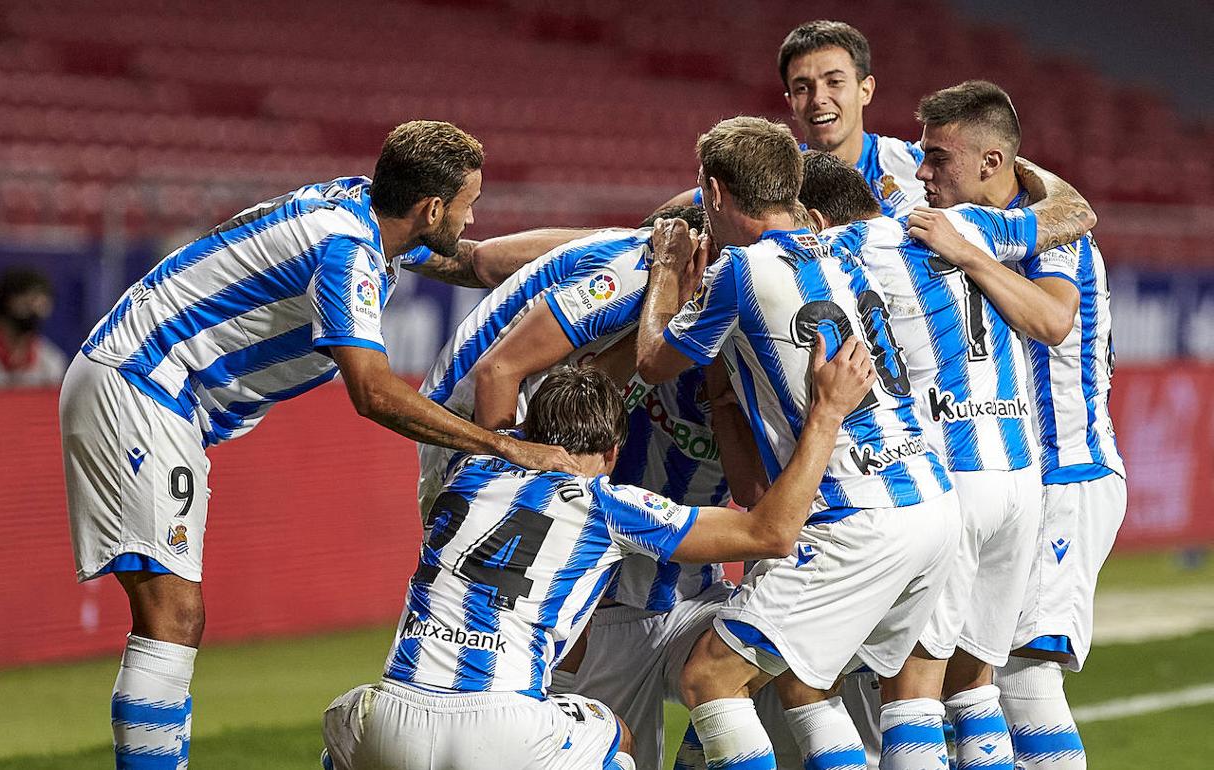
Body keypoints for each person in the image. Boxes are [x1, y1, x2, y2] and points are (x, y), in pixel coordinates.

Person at [59, 120, 579, 770]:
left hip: (156, 394)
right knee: (172, 614)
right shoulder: (345, 249)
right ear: (431, 208)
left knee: (173, 614)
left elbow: (478, 262)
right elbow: (374, 392)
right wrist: (503, 447)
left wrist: (612, 245)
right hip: (141, 384)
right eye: (468, 204)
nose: (473, 216)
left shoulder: (364, 213)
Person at [322, 351, 875, 770]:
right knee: (618, 738)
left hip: (389, 717)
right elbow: (770, 532)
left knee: (344, 735)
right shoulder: (604, 504)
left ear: (529, 432)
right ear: (613, 452)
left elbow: (499, 376)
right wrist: (826, 414)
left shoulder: (469, 470)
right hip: (502, 721)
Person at [635, 116, 959, 770]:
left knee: (710, 677)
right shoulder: (846, 243)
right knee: (806, 682)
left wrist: (666, 271)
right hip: (930, 501)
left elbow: (651, 362)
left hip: (856, 516)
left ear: (715, 192)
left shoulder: (739, 271)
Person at [798, 149, 1097, 770]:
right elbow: (1072, 211)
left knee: (912, 691)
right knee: (975, 686)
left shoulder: (834, 254)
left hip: (950, 481)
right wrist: (1026, 168)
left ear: (816, 218)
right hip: (1018, 478)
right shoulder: (967, 225)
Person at [908, 80, 1125, 770]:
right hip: (1015, 479)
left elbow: (1053, 320)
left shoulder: (1053, 238)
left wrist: (967, 254)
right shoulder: (984, 226)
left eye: (939, 158)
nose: (924, 172)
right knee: (969, 677)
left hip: (1067, 474)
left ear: (992, 162)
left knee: (1024, 679)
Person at [416, 206, 705, 518]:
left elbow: (590, 377)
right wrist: (501, 484)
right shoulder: (627, 275)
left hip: (517, 424)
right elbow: (497, 371)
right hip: (471, 418)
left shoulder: (664, 299)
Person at [664, 20, 925, 220]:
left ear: (865, 90)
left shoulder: (917, 166)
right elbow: (680, 206)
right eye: (802, 88)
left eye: (834, 82)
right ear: (790, 102)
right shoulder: (769, 175)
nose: (818, 99)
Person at [0, 267, 67, 388]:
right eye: (27, 298)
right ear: (6, 301)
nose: (34, 307)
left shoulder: (51, 362)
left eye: (41, 301)